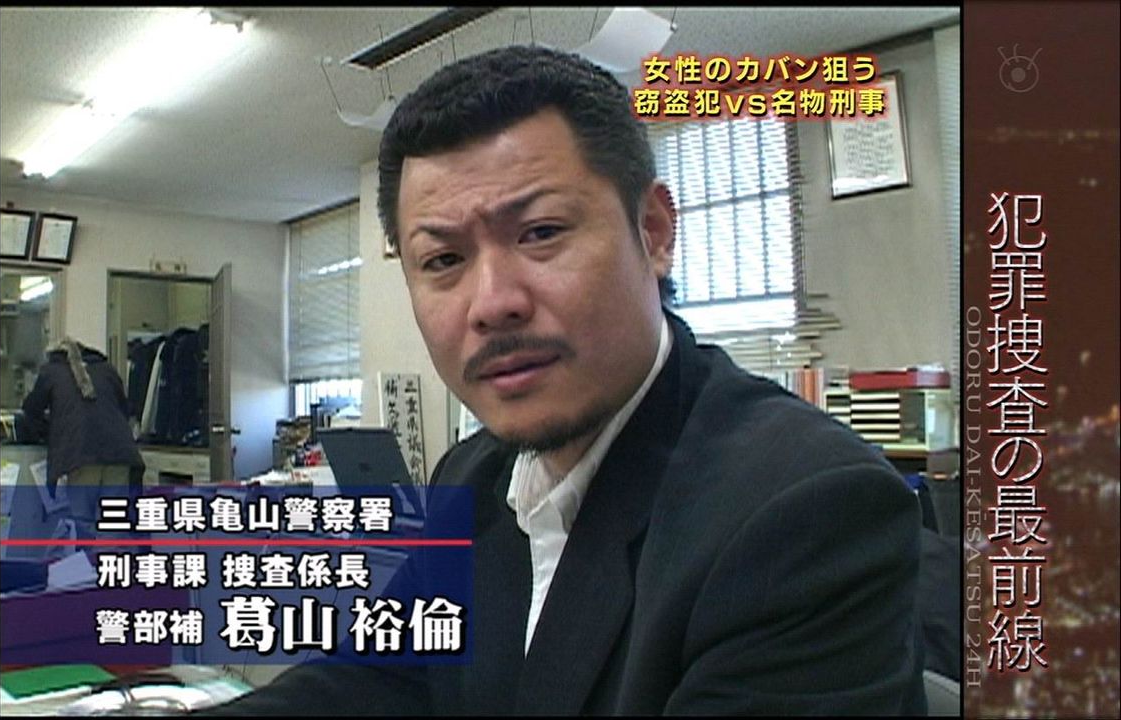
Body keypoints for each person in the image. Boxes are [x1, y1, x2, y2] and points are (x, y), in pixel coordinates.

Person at [205, 45, 924, 715]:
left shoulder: (805, 509)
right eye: (444, 260)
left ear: (654, 232)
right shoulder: (473, 474)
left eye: (542, 232)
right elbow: (374, 675)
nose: (493, 303)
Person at [20, 337, 144, 543]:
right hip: (120, 454)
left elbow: (30, 410)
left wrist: (48, 431)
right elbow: (124, 409)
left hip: (81, 455)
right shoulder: (107, 370)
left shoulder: (51, 371)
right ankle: (108, 562)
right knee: (113, 523)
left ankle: (86, 563)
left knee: (82, 523)